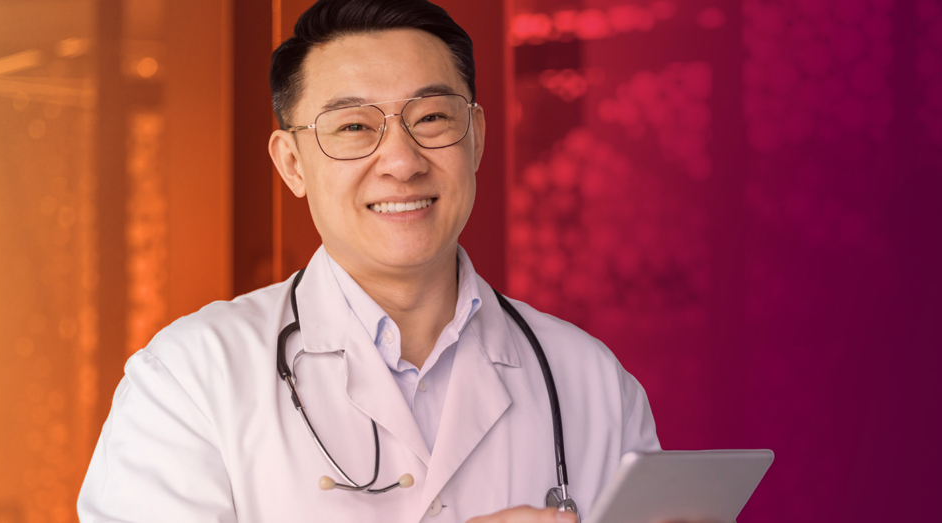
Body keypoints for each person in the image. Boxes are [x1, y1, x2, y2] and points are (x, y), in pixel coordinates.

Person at [77, 1, 660, 522]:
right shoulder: (189, 380)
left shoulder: (590, 382)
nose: (402, 162)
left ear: (476, 137)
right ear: (292, 164)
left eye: (431, 118)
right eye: (354, 127)